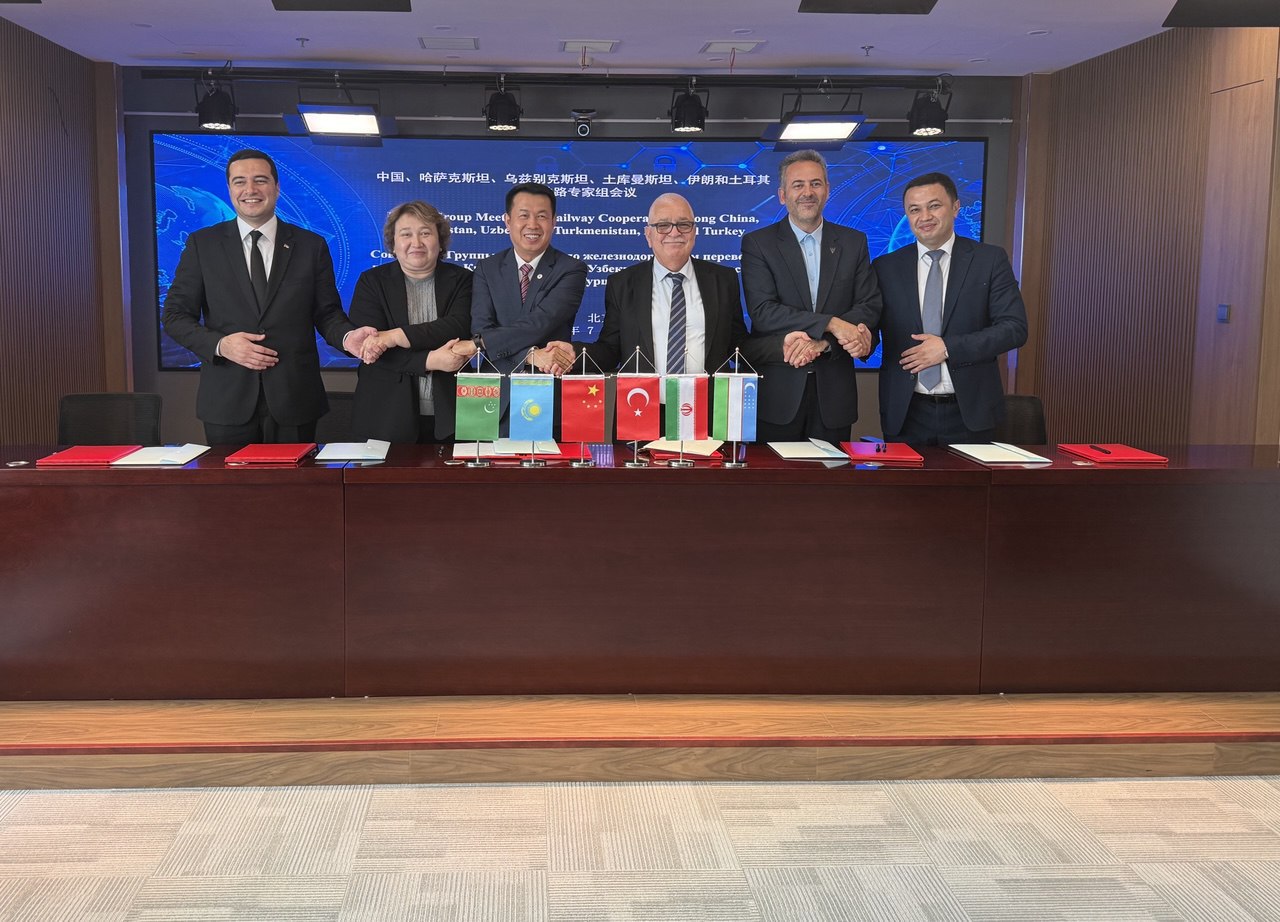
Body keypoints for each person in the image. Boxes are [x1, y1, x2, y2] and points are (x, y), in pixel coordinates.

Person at [162, 148, 380, 444]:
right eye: (240, 181)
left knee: (295, 477)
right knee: (232, 477)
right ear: (229, 189)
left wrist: (347, 338)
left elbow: (327, 313)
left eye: (260, 180)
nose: (250, 189)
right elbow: (175, 316)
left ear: (276, 187)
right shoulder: (203, 244)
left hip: (295, 399)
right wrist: (221, 345)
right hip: (227, 400)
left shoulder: (311, 245)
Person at [546, 193, 770, 431]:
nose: (674, 232)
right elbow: (610, 350)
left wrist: (780, 347)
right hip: (642, 412)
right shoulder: (622, 284)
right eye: (663, 225)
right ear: (648, 235)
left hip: (707, 416)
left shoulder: (723, 280)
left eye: (683, 224)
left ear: (694, 232)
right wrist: (575, 353)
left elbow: (737, 344)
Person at [872, 172, 1028, 445]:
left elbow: (1014, 328)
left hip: (971, 412)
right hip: (906, 413)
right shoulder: (885, 267)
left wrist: (947, 348)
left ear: (955, 207)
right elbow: (871, 327)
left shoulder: (989, 260)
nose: (925, 217)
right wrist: (857, 336)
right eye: (914, 210)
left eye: (934, 206)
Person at [739, 149, 881, 443]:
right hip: (778, 397)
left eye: (815, 184)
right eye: (798, 185)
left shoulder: (854, 242)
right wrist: (832, 323)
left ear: (827, 190)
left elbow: (868, 306)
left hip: (834, 398)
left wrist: (824, 342)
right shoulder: (758, 244)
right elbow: (764, 312)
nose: (807, 192)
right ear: (782, 195)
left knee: (833, 474)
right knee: (775, 473)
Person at [347, 201, 476, 443]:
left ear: (440, 242)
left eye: (425, 233)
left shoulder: (463, 280)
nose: (416, 242)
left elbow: (458, 326)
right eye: (406, 234)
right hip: (385, 416)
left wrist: (394, 336)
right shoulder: (372, 282)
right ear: (393, 244)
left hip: (453, 415)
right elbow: (371, 350)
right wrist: (429, 361)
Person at [469, 182, 588, 425]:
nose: (532, 224)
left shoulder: (571, 269)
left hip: (549, 399)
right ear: (507, 221)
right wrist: (530, 355)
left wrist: (488, 343)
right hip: (493, 398)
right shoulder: (487, 269)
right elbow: (481, 330)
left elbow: (540, 323)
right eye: (523, 215)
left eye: (542, 216)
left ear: (554, 221)